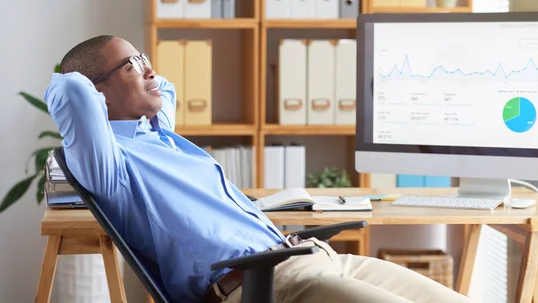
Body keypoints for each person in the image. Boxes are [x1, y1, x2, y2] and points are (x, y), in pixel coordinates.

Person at [45, 35, 473, 303]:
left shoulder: (159, 136)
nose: (150, 69)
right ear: (98, 93)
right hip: (266, 288)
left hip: (316, 259)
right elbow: (69, 88)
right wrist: (84, 80)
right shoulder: (112, 166)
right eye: (132, 65)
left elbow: (165, 87)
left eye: (143, 57)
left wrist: (133, 69)